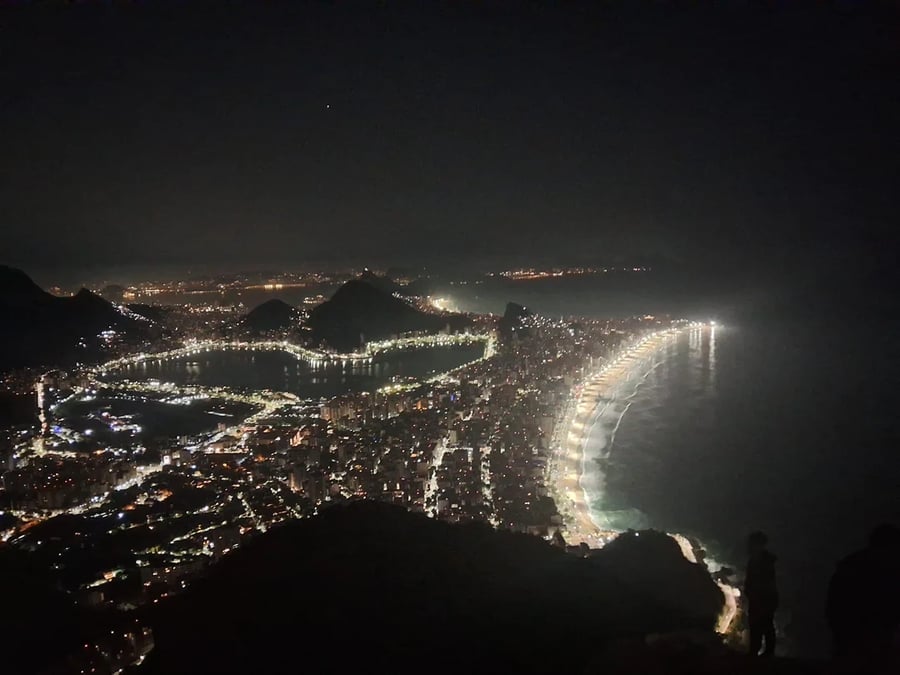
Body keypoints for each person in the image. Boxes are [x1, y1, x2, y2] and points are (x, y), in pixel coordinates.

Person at [826, 524, 900, 672]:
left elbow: (834, 603)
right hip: (869, 634)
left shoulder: (851, 565)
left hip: (851, 634)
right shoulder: (887, 569)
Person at [744, 531, 778, 657]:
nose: (748, 546)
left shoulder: (761, 562)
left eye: (751, 543)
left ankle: (761, 652)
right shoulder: (761, 561)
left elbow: (763, 582)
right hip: (761, 598)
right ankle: (760, 651)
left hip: (762, 599)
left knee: (762, 624)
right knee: (762, 624)